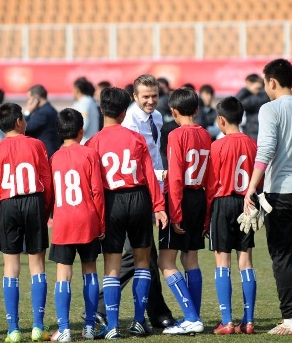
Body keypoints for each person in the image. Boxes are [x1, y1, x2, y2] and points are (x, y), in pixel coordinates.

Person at [243, 59, 292, 335]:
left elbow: (265, 149)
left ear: (272, 82)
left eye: (265, 82)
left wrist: (251, 186)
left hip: (282, 191)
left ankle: (290, 319)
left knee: (283, 256)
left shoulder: (270, 108)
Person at [85, 87, 168, 339]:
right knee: (143, 261)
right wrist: (159, 206)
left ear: (102, 110)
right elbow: (149, 176)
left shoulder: (93, 143)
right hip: (138, 199)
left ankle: (111, 326)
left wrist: (97, 216)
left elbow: (95, 185)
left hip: (111, 201)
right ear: (124, 112)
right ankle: (138, 320)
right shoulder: (136, 138)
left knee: (112, 264)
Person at [0, 103, 52, 343]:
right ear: (18, 122)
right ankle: (37, 326)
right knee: (37, 264)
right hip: (33, 201)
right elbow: (46, 179)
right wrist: (44, 210)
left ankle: (13, 329)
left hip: (8, 204)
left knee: (10, 265)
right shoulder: (36, 144)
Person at [49, 108, 105, 341]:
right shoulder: (90, 154)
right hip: (87, 219)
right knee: (89, 271)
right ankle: (90, 326)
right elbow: (97, 191)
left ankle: (64, 330)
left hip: (63, 221)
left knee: (63, 274)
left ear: (59, 132)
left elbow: (50, 194)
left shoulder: (53, 158)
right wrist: (101, 223)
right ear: (81, 131)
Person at [157, 87, 210, 335]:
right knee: (190, 259)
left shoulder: (176, 135)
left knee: (166, 261)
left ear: (173, 111)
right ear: (197, 109)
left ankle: (190, 316)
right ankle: (194, 317)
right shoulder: (206, 135)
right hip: (199, 196)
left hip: (181, 199)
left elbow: (176, 177)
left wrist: (175, 212)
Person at [205, 97, 258, 335]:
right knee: (245, 261)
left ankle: (227, 320)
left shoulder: (217, 146)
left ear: (221, 120)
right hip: (246, 202)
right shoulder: (252, 144)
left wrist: (208, 218)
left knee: (222, 261)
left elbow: (211, 184)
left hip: (222, 203)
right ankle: (248, 320)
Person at [24, 85, 61, 158]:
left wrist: (27, 112)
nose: (28, 102)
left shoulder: (43, 113)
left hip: (45, 152)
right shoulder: (50, 110)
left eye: (29, 99)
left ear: (36, 98)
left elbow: (24, 129)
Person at [235, 74, 270, 141]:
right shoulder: (258, 95)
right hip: (253, 132)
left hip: (256, 134)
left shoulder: (263, 96)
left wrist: (246, 89)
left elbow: (237, 103)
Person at [72, 77, 99, 143]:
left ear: (77, 89)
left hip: (84, 143)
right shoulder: (87, 101)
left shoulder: (85, 102)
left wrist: (71, 138)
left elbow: (84, 124)